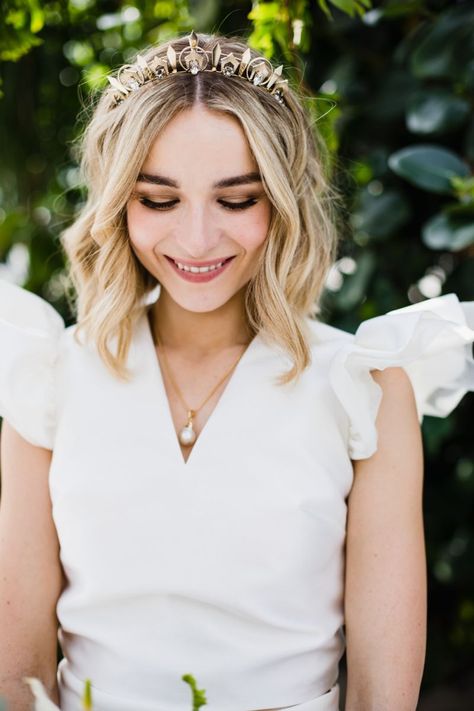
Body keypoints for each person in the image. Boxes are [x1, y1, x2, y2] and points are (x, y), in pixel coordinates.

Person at [0, 29, 473, 711]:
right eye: (158, 199)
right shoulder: (47, 377)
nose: (196, 239)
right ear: (116, 203)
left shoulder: (364, 386)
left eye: (237, 198)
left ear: (281, 201)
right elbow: (20, 677)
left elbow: (380, 693)